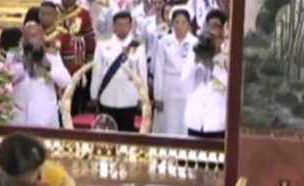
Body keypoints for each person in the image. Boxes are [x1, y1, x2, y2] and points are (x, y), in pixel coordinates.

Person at [8, 19, 72, 128]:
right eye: (26, 36)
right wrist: (25, 63)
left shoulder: (52, 56)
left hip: (44, 118)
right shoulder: (13, 55)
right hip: (20, 118)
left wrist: (49, 67)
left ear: (42, 37)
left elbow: (66, 81)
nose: (30, 40)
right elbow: (7, 77)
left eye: (33, 36)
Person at [90, 10, 147, 132]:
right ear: (114, 26)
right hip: (107, 95)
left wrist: (143, 97)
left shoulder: (138, 45)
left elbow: (142, 73)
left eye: (126, 25)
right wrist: (93, 94)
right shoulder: (103, 43)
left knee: (127, 134)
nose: (122, 28)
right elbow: (97, 70)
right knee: (107, 133)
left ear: (131, 26)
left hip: (129, 97)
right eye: (119, 24)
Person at [152, 6, 198, 135]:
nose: (179, 25)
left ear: (189, 25)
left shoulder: (195, 43)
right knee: (168, 124)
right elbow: (159, 69)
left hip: (188, 91)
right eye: (176, 22)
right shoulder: (164, 42)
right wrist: (158, 95)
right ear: (172, 24)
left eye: (183, 22)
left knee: (184, 124)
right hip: (168, 90)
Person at [182, 28, 228, 139]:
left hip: (216, 122)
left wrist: (213, 66)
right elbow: (184, 81)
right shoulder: (194, 58)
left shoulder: (225, 59)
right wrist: (196, 61)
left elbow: (229, 83)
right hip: (195, 120)